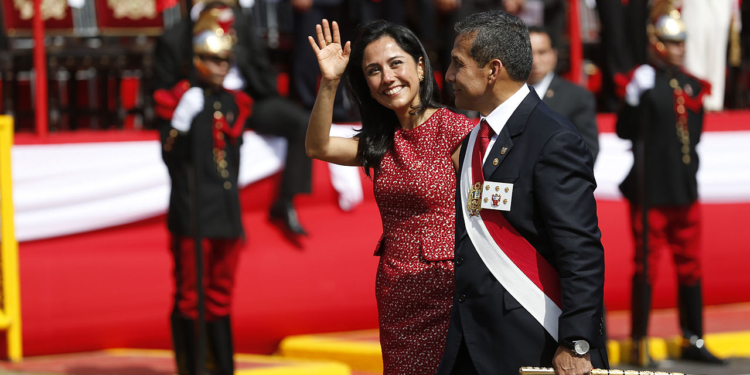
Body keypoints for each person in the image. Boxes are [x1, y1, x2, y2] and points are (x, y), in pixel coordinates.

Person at [437, 11, 608, 375]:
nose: (449, 76)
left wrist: (576, 342)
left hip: (532, 340)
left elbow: (580, 248)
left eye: (457, 64)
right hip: (472, 340)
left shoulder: (552, 138)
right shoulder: (474, 139)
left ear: (492, 69)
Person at [305, 19, 475, 375]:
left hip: (449, 290)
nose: (387, 77)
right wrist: (330, 81)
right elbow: (318, 145)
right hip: (396, 291)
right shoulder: (380, 143)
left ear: (420, 66)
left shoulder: (458, 132)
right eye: (374, 70)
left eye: (396, 63)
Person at [615, 4, 726, 366]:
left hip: (683, 190)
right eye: (671, 42)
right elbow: (625, 131)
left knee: (691, 266)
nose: (678, 48)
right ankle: (639, 342)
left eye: (681, 42)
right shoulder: (644, 80)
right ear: (657, 43)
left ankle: (693, 338)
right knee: (646, 267)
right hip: (651, 192)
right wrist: (632, 101)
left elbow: (694, 138)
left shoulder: (692, 83)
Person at [154, 0, 312, 237]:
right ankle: (224, 220)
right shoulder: (176, 35)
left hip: (247, 99)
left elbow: (260, 65)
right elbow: (163, 86)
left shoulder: (240, 22)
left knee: (301, 122)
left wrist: (236, 53)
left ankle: (286, 201)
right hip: (204, 104)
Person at [153, 6, 251, 374]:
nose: (221, 66)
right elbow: (171, 158)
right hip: (192, 210)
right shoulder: (179, 100)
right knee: (190, 298)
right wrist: (179, 123)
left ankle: (223, 368)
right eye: (213, 58)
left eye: (226, 59)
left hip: (225, 212)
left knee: (221, 298)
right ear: (195, 59)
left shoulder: (232, 103)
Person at [527, 26, 599, 163]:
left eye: (542, 52)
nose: (535, 61)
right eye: (529, 52)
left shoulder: (577, 97)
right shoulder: (505, 94)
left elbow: (587, 151)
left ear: (554, 54)